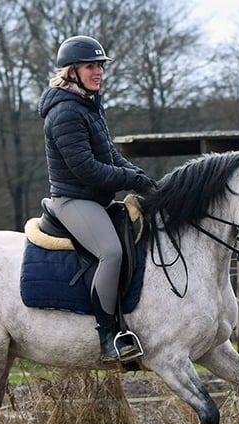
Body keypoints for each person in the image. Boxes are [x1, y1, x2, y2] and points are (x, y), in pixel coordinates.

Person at [38, 35, 156, 363]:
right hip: (73, 199)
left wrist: (144, 180)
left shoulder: (90, 104)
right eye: (91, 66)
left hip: (96, 199)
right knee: (111, 252)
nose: (98, 72)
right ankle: (108, 336)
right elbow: (87, 170)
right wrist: (130, 179)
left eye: (100, 66)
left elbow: (111, 156)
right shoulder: (64, 113)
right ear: (72, 71)